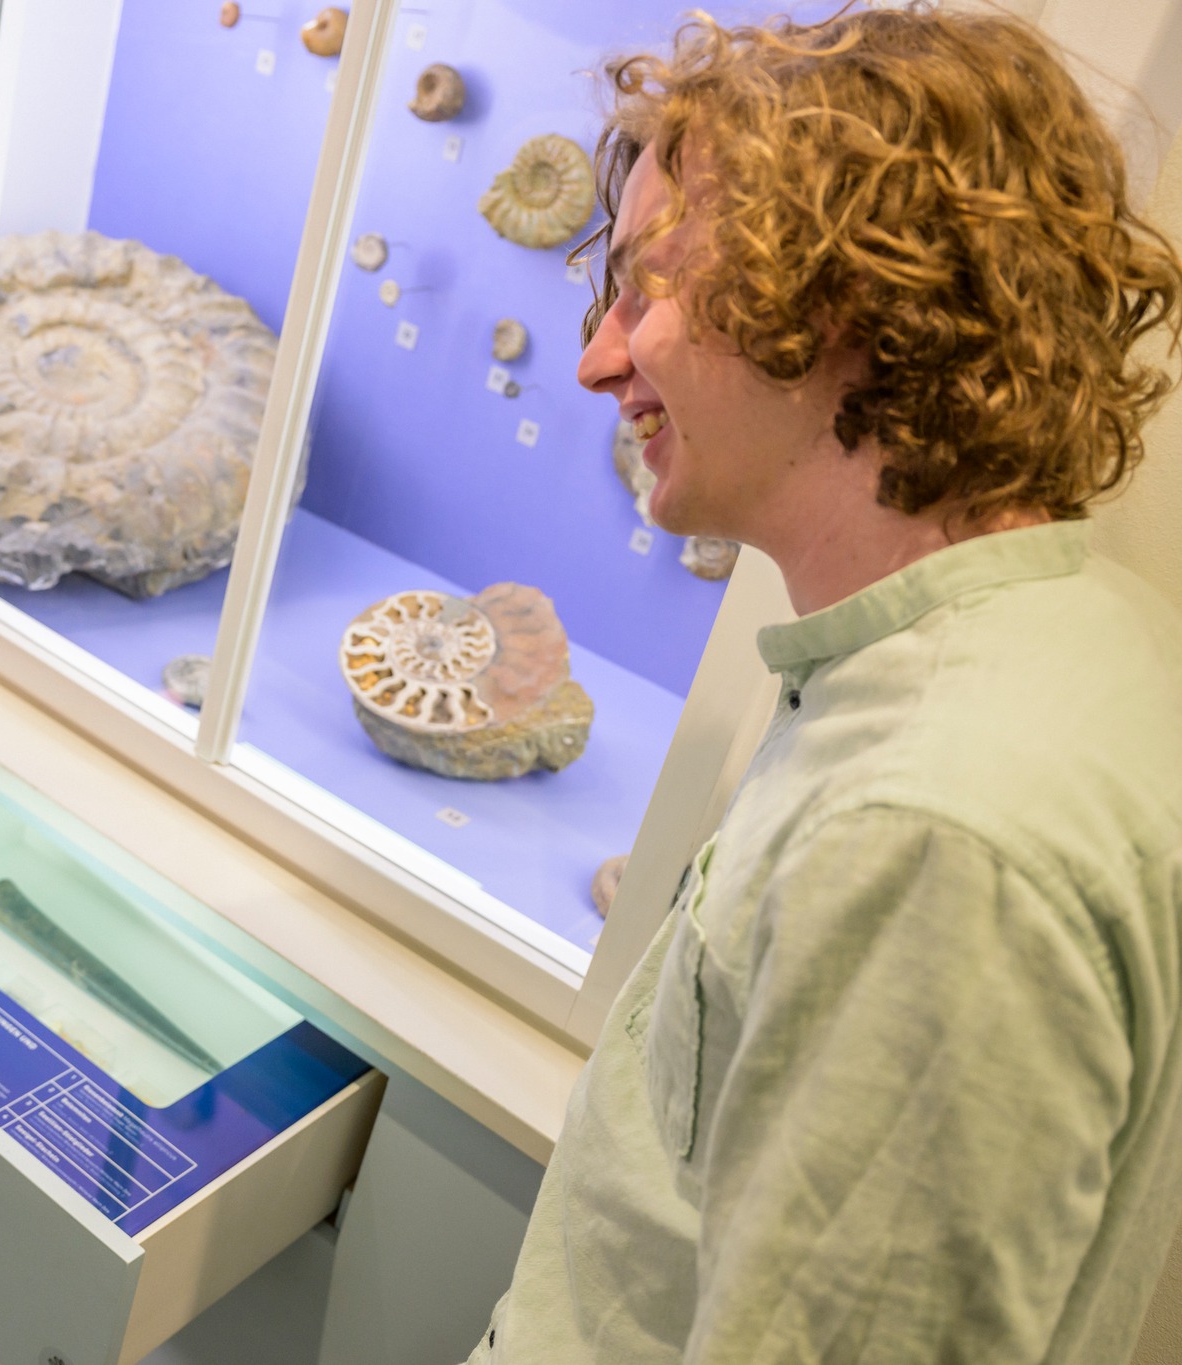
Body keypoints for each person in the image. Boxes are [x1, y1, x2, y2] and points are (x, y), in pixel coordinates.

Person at [466, 8, 1182, 1363]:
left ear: (844, 290)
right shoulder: (1073, 636)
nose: (598, 359)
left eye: (647, 287)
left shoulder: (925, 834)